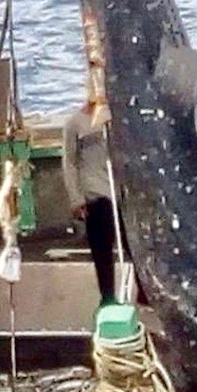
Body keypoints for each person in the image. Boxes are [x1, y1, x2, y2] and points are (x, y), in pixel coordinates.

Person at [62, 100, 121, 303]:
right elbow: (70, 163)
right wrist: (76, 198)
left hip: (121, 192)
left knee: (134, 246)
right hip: (95, 194)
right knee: (101, 250)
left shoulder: (117, 118)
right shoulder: (75, 123)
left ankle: (143, 293)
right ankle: (108, 297)